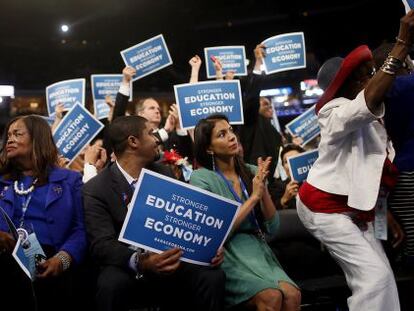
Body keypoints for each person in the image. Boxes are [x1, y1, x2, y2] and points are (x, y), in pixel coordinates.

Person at [296, 10, 414, 311]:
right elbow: (362, 107)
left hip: (354, 212)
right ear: (344, 89)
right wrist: (401, 45)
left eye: (369, 74)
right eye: (360, 78)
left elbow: (372, 177)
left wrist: (381, 217)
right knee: (373, 279)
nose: (369, 80)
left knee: (383, 275)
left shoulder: (380, 117)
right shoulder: (332, 113)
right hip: (323, 210)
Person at [82, 115, 225, 311]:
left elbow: (188, 219)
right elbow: (102, 244)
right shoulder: (96, 188)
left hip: (173, 258)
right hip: (130, 264)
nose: (157, 139)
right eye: (151, 133)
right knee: (110, 285)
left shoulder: (165, 172)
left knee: (212, 275)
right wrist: (142, 262)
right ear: (133, 142)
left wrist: (207, 246)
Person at [190, 114, 300, 310]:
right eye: (222, 134)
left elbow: (273, 228)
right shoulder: (201, 178)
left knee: (293, 295)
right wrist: (254, 197)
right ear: (208, 148)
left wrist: (262, 188)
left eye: (231, 130)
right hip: (228, 252)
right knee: (271, 296)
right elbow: (216, 231)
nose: (232, 136)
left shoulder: (250, 171)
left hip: (257, 249)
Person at [0, 115, 87, 311]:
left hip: (50, 258)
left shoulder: (70, 180)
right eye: (8, 135)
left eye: (17, 134)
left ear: (37, 139)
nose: (10, 139)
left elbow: (80, 230)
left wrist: (62, 259)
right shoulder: (2, 181)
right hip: (5, 258)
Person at [373, 42, 414, 262]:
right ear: (405, 61)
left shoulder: (372, 96)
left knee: (403, 242)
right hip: (409, 172)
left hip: (388, 181)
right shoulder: (409, 84)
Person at [270, 144, 305, 210]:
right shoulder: (277, 187)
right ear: (283, 167)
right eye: (286, 162)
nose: (291, 165)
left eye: (295, 159)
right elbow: (273, 213)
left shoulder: (317, 182)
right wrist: (285, 198)